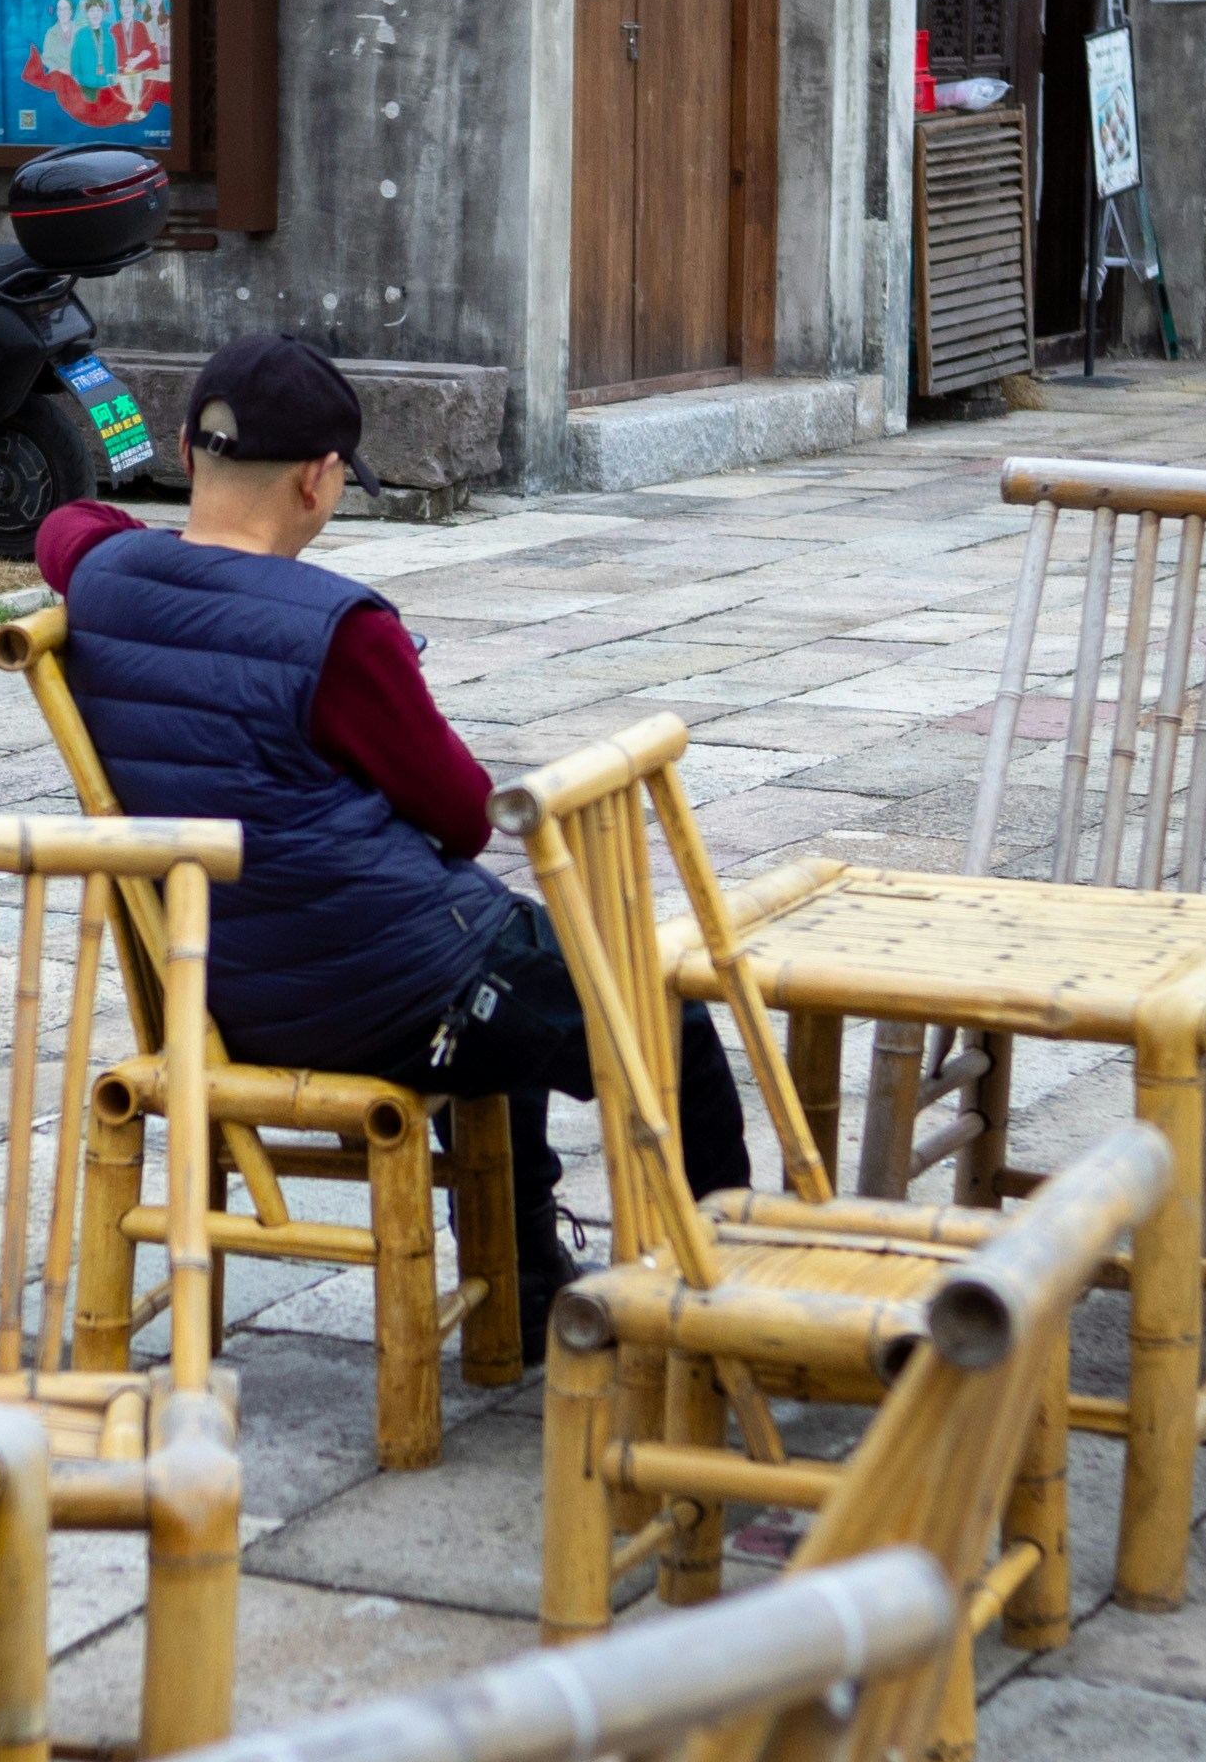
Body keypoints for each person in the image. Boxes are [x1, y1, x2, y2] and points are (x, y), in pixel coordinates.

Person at [36, 335, 749, 1328]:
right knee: (661, 1017)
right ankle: (735, 1287)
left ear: (190, 459)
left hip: (223, 989)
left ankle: (531, 1277)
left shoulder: (103, 577)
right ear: (318, 482)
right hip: (388, 994)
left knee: (523, 956)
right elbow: (460, 817)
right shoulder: (340, 630)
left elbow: (65, 523)